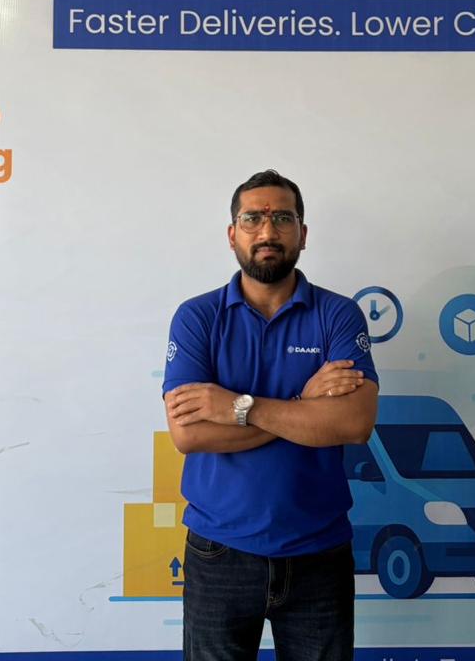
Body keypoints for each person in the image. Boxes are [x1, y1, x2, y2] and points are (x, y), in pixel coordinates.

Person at [163, 169, 379, 661]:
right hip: (219, 552)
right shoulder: (197, 318)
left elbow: (354, 424)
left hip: (318, 552)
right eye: (253, 219)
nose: (267, 231)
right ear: (232, 234)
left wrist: (239, 408)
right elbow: (190, 434)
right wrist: (304, 406)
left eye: (283, 218)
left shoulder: (337, 315)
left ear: (302, 233)